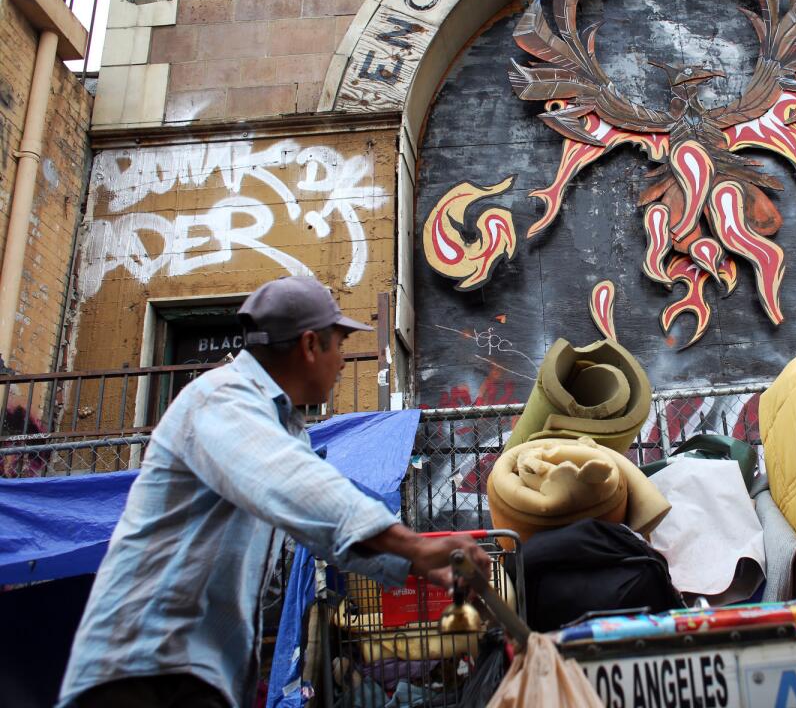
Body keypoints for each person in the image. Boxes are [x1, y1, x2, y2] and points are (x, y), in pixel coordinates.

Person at [58, 276, 490, 708]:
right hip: (144, 666)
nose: (342, 361)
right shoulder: (221, 398)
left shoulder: (281, 428)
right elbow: (299, 487)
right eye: (338, 343)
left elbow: (321, 532)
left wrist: (422, 566)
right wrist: (414, 547)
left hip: (190, 672)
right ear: (308, 346)